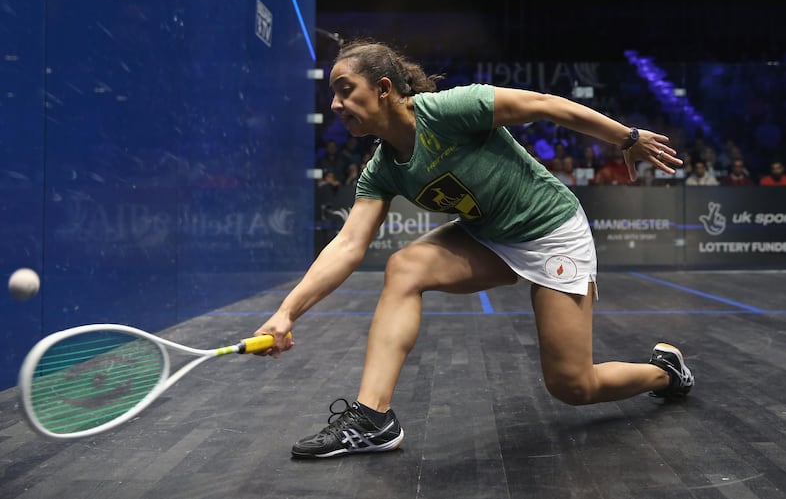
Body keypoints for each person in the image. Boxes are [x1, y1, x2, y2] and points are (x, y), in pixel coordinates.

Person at [254, 39, 694, 459]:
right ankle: (373, 419)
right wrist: (287, 312)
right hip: (487, 235)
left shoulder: (449, 110)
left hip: (551, 231)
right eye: (333, 95)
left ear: (383, 89)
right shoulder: (382, 169)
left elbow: (545, 105)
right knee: (405, 268)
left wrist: (627, 137)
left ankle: (665, 372)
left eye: (344, 90)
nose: (334, 105)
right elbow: (349, 244)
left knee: (573, 387)